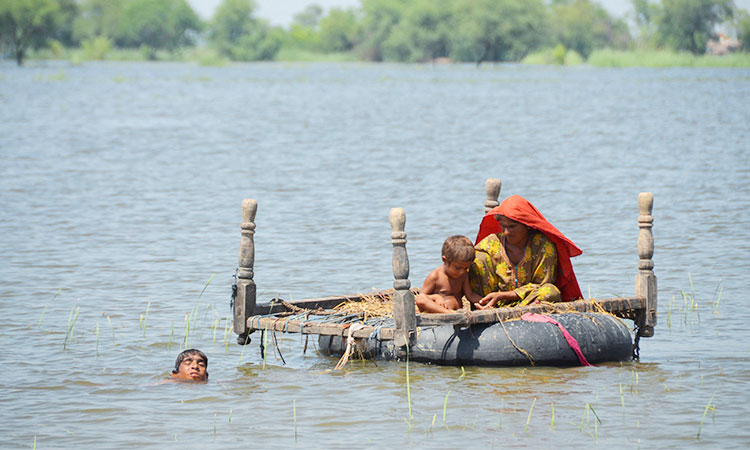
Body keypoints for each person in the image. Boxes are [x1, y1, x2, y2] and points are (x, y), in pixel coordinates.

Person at [470, 195, 583, 309]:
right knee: (478, 259)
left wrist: (503, 295)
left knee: (550, 291)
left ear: (527, 226)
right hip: (494, 304)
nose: (506, 232)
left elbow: (542, 285)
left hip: (527, 302)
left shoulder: (543, 246)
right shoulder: (491, 243)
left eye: (512, 227)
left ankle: (515, 311)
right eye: (503, 226)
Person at [416, 235, 483, 313]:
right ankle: (448, 313)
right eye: (458, 268)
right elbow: (421, 299)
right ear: (444, 260)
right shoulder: (435, 276)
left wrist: (484, 302)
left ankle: (452, 315)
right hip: (440, 316)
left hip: (457, 315)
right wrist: (436, 297)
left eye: (466, 268)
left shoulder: (463, 276)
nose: (462, 271)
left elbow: (470, 295)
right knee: (422, 299)